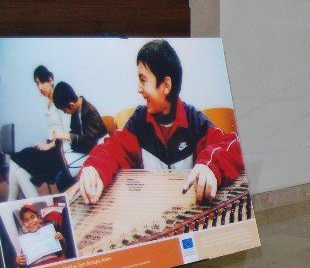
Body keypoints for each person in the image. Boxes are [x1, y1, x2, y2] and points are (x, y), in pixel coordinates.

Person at [78, 40, 244, 205]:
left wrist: (210, 166)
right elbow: (113, 148)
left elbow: (232, 146)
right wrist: (95, 168)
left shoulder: (194, 120)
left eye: (143, 80)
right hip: (152, 209)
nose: (138, 88)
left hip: (188, 210)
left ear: (165, 85)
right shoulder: (139, 121)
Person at [6, 66, 71, 200]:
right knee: (20, 173)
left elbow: (66, 132)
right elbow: (52, 133)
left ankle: (9, 203)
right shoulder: (49, 103)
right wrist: (45, 142)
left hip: (59, 152)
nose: (40, 87)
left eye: (42, 82)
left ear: (51, 80)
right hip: (52, 147)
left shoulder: (59, 100)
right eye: (37, 84)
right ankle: (38, 208)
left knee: (17, 157)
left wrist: (50, 145)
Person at [13, 203, 67, 268]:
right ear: (24, 224)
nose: (30, 222)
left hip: (54, 266)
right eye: (26, 220)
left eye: (32, 217)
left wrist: (61, 240)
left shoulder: (49, 232)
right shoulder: (25, 241)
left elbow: (61, 252)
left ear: (38, 217)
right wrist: (18, 262)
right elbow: (23, 263)